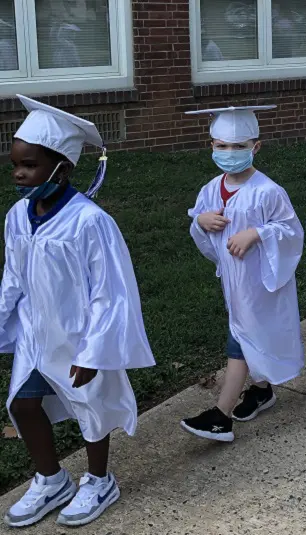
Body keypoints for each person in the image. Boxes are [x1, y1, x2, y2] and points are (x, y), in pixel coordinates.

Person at [1, 95, 155, 527]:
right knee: (24, 406)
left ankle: (99, 479)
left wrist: (95, 351)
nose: (18, 172)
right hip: (35, 332)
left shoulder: (89, 222)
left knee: (92, 408)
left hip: (79, 334)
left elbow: (113, 291)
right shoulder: (17, 215)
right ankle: (51, 479)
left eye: (29, 165)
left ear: (61, 169)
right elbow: (13, 276)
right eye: (14, 163)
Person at [181, 105, 305, 442]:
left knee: (241, 338)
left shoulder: (268, 192)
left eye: (238, 146)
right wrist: (200, 221)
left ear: (256, 147)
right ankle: (262, 391)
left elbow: (291, 232)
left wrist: (257, 234)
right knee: (250, 334)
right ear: (211, 146)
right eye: (221, 146)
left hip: (261, 283)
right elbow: (202, 221)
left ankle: (220, 416)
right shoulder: (211, 188)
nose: (229, 153)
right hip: (235, 284)